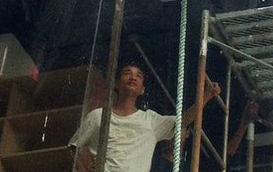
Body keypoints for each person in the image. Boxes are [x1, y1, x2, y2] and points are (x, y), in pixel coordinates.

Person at [69, 63, 221, 172]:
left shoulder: (151, 121)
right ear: (116, 84)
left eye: (138, 76)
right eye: (127, 73)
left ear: (142, 90)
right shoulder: (97, 116)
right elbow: (74, 148)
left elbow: (184, 120)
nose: (133, 77)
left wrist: (207, 96)